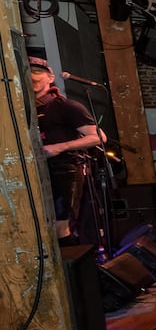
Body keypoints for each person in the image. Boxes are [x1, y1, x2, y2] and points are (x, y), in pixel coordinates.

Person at [29, 56, 103, 242]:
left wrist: (59, 147)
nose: (33, 76)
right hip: (34, 173)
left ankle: (68, 267)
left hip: (64, 170)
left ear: (50, 77)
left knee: (60, 226)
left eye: (38, 72)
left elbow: (98, 137)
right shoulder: (23, 110)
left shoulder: (66, 106)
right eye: (28, 72)